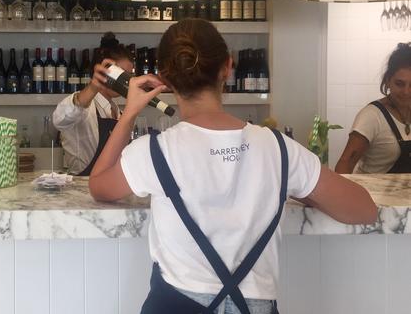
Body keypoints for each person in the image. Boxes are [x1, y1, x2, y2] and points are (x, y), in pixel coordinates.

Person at [89, 19, 377, 314]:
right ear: (228, 67)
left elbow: (98, 186)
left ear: (164, 78)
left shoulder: (153, 151)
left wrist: (130, 113)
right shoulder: (279, 149)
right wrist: (293, 186)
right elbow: (364, 209)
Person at [52, 32, 134, 175]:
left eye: (130, 75)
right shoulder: (85, 108)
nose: (127, 81)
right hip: (82, 191)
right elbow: (59, 120)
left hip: (112, 189)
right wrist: (92, 87)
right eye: (122, 75)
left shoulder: (118, 113)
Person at [336, 43, 411, 174]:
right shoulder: (372, 116)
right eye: (399, 84)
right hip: (373, 193)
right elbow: (345, 164)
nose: (406, 92)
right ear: (388, 81)